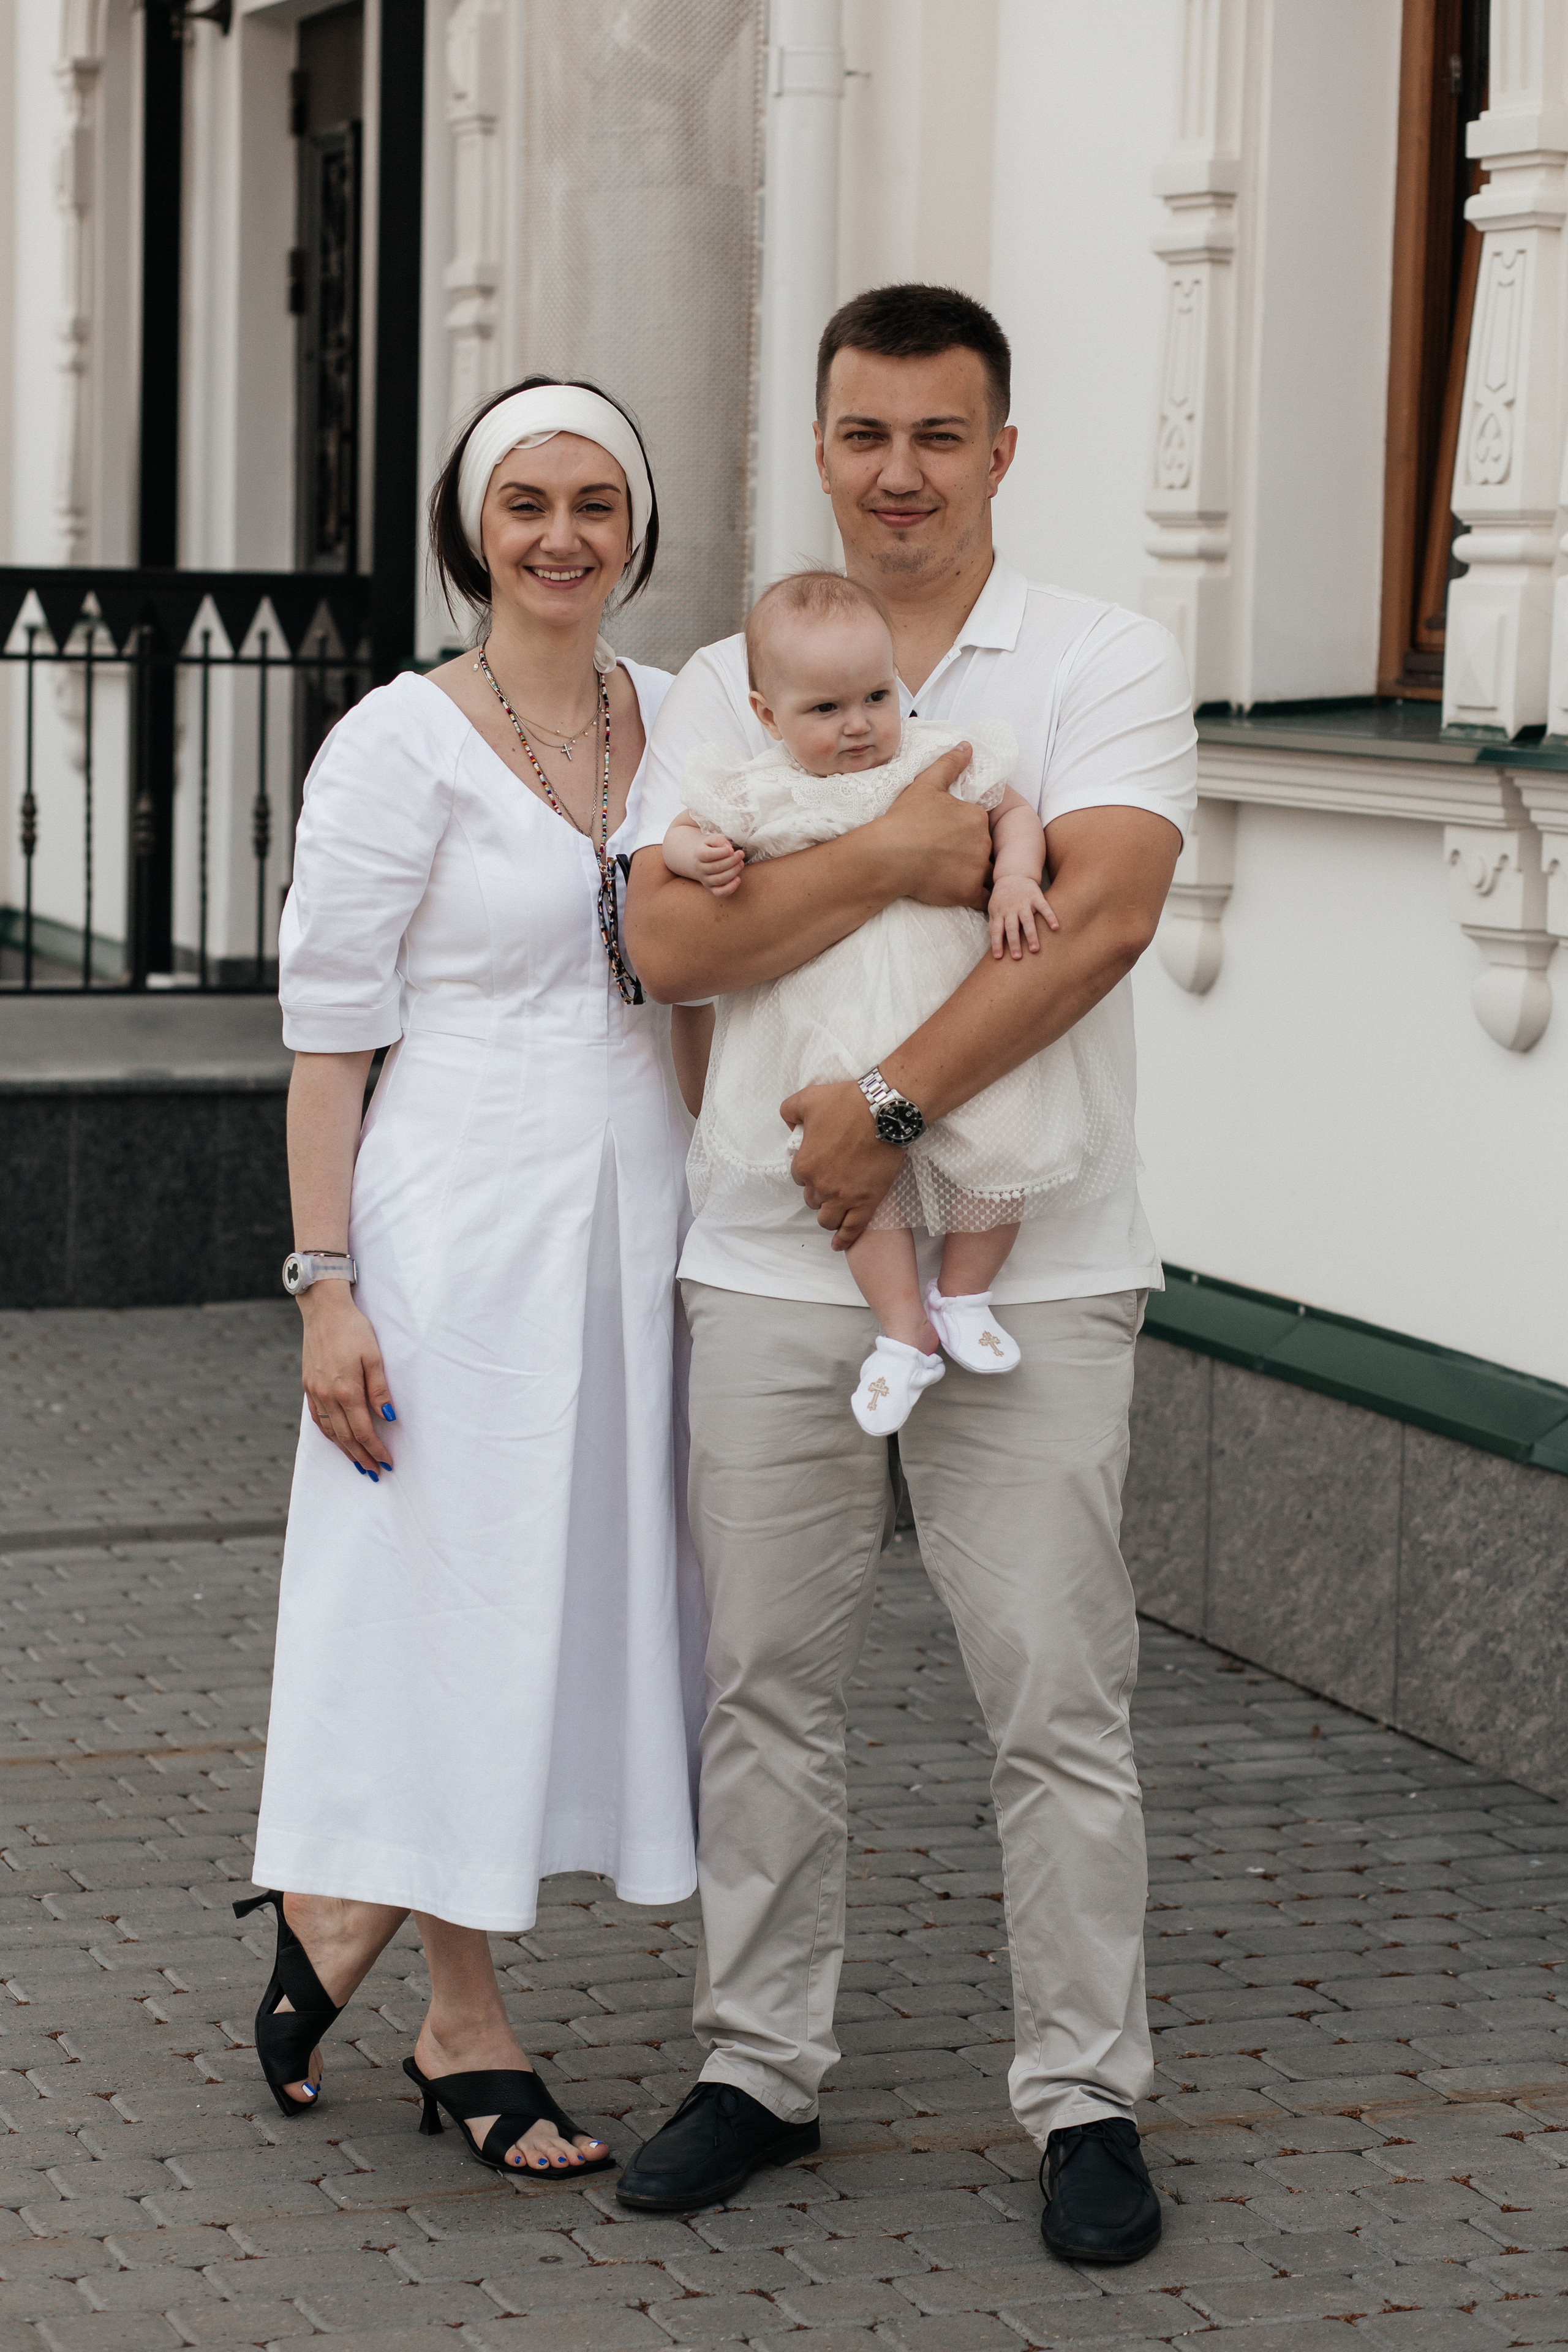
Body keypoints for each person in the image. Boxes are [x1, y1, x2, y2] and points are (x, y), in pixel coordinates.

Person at [617, 285, 1196, 2267]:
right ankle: (760, 2061)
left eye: (940, 435)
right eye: (864, 433)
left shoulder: (1100, 657)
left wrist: (882, 1109)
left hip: (1036, 1257)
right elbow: (672, 954)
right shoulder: (722, 676)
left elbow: (1100, 917)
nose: (899, 472)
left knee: (1054, 1686)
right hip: (761, 1259)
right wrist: (891, 859)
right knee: (765, 1680)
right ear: (822, 446)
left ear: (1002, 451)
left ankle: (1087, 2097)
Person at [240, 377, 704, 2182]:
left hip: (634, 1217)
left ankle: (333, 1911)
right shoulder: (397, 742)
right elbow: (331, 1046)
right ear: (471, 527)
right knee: (455, 1597)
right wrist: (325, 1288)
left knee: (580, 1595)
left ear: (638, 527)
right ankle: (462, 2017)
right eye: (527, 502)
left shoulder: (680, 723)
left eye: (598, 500)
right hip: (448, 1224)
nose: (564, 534)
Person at [663, 568, 1133, 1438]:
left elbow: (1012, 810)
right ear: (768, 716)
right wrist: (700, 859)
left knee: (1006, 1142)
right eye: (825, 710)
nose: (857, 726)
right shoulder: (763, 786)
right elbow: (680, 838)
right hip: (829, 1032)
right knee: (850, 1184)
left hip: (950, 1018)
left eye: (877, 696)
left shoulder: (936, 754)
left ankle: (965, 1293)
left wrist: (1017, 879)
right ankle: (904, 1328)